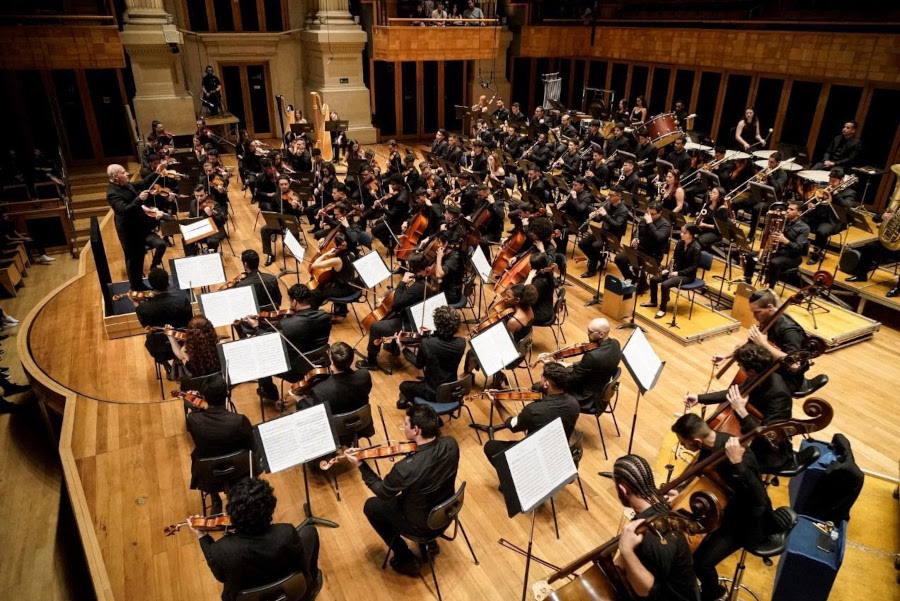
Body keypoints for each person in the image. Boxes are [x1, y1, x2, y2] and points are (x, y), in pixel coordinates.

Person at [669, 415, 776, 601]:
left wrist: (737, 464)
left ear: (696, 440)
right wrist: (678, 489)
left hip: (750, 522)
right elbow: (698, 468)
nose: (684, 447)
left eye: (683, 443)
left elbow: (760, 498)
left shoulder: (740, 455)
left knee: (700, 563)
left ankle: (715, 595)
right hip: (732, 508)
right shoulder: (712, 442)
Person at [345, 404, 459, 576]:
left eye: (406, 424)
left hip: (421, 525)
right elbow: (431, 456)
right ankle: (430, 544)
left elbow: (383, 492)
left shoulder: (405, 469)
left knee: (371, 506)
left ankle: (405, 557)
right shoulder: (452, 444)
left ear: (417, 430)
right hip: (445, 513)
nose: (403, 427)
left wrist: (361, 464)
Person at [193, 477, 322, 601]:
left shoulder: (221, 550)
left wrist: (202, 536)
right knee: (309, 531)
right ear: (270, 508)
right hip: (291, 593)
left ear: (232, 514)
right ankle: (310, 589)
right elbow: (300, 563)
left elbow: (221, 576)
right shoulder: (286, 532)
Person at [483, 363, 580, 507]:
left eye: (542, 378)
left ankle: (516, 483)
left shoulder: (534, 411)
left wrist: (497, 403)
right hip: (559, 455)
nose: (539, 380)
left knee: (491, 446)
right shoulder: (574, 404)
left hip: (538, 457)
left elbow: (512, 425)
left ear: (546, 383)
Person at [686, 342, 793, 471]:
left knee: (724, 463)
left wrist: (741, 411)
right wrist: (699, 398)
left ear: (752, 371)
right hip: (751, 432)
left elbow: (769, 436)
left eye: (740, 366)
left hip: (769, 452)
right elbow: (733, 393)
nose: (740, 368)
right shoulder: (758, 376)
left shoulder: (779, 394)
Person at [610, 454, 701, 601]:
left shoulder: (652, 538)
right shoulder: (662, 507)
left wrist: (626, 551)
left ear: (623, 488)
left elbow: (646, 591)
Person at [243, 283, 332, 404]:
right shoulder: (325, 316)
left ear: (295, 302)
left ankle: (270, 393)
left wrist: (256, 326)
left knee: (261, 355)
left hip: (296, 370)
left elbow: (268, 340)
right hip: (320, 361)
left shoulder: (287, 324)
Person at [713, 288, 810, 393]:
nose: (754, 317)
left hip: (787, 378)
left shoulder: (790, 331)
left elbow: (794, 365)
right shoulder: (768, 319)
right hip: (771, 367)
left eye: (757, 312)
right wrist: (726, 356)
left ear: (770, 307)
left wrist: (763, 344)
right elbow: (750, 342)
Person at [185, 375, 253, 514]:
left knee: (201, 454)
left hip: (208, 472)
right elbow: (251, 445)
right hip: (239, 468)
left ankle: (214, 497)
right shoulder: (239, 420)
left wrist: (197, 406)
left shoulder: (192, 420)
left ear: (204, 397)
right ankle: (238, 495)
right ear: (227, 394)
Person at [357, 252, 432, 372]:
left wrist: (402, 283)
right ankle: (393, 347)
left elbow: (396, 303)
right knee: (391, 315)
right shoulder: (430, 278)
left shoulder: (419, 287)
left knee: (375, 326)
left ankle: (371, 362)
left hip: (412, 324)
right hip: (421, 317)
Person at [536, 318, 621, 413]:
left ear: (601, 334)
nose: (588, 334)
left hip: (586, 397)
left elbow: (570, 379)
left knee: (539, 387)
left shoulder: (592, 356)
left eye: (590, 332)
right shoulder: (615, 344)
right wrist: (570, 364)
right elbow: (596, 365)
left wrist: (549, 364)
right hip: (599, 389)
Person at [106, 163, 167, 291]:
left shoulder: (126, 184)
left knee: (139, 256)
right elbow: (124, 210)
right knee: (134, 259)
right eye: (123, 172)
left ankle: (140, 284)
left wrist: (156, 172)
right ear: (115, 176)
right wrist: (138, 199)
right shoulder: (112, 193)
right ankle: (136, 286)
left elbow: (143, 183)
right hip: (129, 231)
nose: (127, 173)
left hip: (139, 226)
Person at [300, 343, 373, 443]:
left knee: (302, 405)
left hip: (338, 433)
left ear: (332, 364)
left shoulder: (320, 391)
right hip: (362, 424)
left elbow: (317, 415)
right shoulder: (364, 375)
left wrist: (299, 400)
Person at [396, 305, 465, 409]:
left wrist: (403, 349)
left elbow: (418, 364)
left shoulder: (427, 344)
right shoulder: (461, 343)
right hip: (451, 390)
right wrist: (433, 332)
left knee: (404, 386)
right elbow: (444, 341)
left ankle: (425, 410)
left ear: (437, 324)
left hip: (432, 393)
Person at [135, 268, 192, 370]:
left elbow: (146, 326)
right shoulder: (182, 301)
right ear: (168, 283)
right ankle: (177, 359)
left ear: (151, 285)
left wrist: (136, 304)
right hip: (183, 344)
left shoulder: (142, 308)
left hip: (160, 348)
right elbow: (190, 322)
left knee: (149, 340)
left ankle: (166, 365)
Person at [641, 224, 701, 319]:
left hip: (687, 275)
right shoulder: (680, 243)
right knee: (654, 279)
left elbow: (694, 267)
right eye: (681, 232)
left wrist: (678, 273)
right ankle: (653, 301)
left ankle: (662, 309)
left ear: (692, 234)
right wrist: (667, 269)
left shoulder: (696, 248)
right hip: (675, 271)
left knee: (665, 285)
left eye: (685, 233)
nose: (681, 234)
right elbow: (674, 259)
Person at [745, 200, 809, 287]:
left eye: (791, 209)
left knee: (774, 263)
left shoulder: (804, 228)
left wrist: (785, 241)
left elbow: (798, 247)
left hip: (791, 256)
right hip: (777, 251)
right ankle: (747, 281)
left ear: (799, 213)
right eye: (788, 208)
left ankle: (771, 288)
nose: (788, 211)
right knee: (751, 255)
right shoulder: (782, 221)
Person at [802, 168, 857, 265]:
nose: (830, 183)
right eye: (830, 180)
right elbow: (812, 200)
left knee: (822, 231)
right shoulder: (823, 187)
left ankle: (816, 255)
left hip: (832, 220)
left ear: (841, 180)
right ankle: (799, 248)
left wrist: (835, 195)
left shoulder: (849, 192)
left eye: (834, 181)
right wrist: (810, 204)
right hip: (816, 216)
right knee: (800, 221)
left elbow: (846, 206)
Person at [613, 201, 672, 290]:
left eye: (652, 214)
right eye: (648, 213)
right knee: (619, 258)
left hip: (653, 255)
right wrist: (635, 238)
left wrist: (650, 223)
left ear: (660, 213)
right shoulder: (644, 219)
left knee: (637, 264)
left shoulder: (665, 225)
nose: (649, 215)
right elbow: (637, 232)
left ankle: (642, 284)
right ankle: (632, 278)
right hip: (640, 250)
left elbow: (658, 238)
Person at [845, 204, 900, 297]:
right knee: (869, 247)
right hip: (889, 242)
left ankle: (898, 288)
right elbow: (875, 218)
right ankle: (861, 275)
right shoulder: (898, 206)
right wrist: (883, 216)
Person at [578, 188, 629, 278]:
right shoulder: (608, 205)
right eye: (609, 194)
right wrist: (593, 216)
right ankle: (599, 258)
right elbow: (599, 220)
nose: (609, 197)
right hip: (602, 232)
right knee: (582, 243)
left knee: (594, 245)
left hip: (613, 237)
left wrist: (605, 215)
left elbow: (617, 225)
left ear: (619, 196)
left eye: (612, 195)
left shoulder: (623, 210)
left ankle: (592, 270)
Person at [307, 234, 360, 311]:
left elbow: (314, 265)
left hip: (343, 289)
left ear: (337, 246)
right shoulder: (351, 254)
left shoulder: (337, 260)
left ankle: (312, 312)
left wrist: (324, 254)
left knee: (317, 292)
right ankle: (342, 310)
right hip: (350, 285)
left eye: (334, 243)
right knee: (322, 286)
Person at [185, 185, 227, 256]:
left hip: (213, 230)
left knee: (212, 241)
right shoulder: (193, 203)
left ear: (206, 193)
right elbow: (191, 217)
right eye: (197, 196)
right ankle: (192, 256)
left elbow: (222, 221)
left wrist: (211, 215)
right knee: (186, 238)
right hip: (199, 229)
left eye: (201, 195)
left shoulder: (214, 204)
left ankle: (211, 257)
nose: (199, 198)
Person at [695, 186, 730, 251]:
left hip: (716, 233)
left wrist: (703, 225)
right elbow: (703, 216)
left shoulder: (722, 209)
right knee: (689, 229)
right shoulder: (708, 203)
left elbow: (719, 227)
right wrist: (699, 219)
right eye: (711, 192)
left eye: (714, 193)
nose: (711, 194)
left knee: (700, 240)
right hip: (705, 228)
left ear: (719, 196)